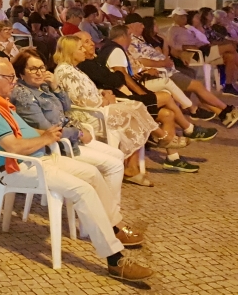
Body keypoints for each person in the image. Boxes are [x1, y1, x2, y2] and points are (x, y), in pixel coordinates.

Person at [0, 56, 152, 281]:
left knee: (94, 174)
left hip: (38, 158)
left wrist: (49, 135)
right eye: (10, 77)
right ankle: (115, 259)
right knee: (83, 189)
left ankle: (114, 226)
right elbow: (14, 146)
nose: (14, 82)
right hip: (20, 168)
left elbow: (25, 133)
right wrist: (46, 139)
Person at [11, 47, 149, 220]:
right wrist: (77, 133)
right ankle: (108, 218)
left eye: (41, 68)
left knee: (118, 155)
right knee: (114, 165)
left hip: (68, 137)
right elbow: (47, 129)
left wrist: (55, 87)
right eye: (33, 69)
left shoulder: (44, 87)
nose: (39, 73)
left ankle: (107, 211)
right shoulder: (24, 95)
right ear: (21, 72)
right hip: (57, 147)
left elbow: (66, 108)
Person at [73, 31, 200, 174]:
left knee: (168, 114)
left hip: (122, 97)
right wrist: (119, 79)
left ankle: (172, 158)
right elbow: (116, 78)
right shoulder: (88, 64)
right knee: (165, 96)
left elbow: (116, 77)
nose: (92, 44)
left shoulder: (95, 59)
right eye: (87, 42)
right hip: (117, 102)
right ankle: (187, 129)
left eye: (91, 40)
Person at [126, 12, 238, 124]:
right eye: (140, 24)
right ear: (133, 25)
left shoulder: (142, 39)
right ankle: (227, 110)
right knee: (197, 85)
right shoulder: (131, 41)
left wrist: (166, 49)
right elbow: (139, 60)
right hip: (162, 72)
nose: (142, 27)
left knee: (196, 85)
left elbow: (168, 51)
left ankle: (223, 114)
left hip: (168, 68)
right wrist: (162, 63)